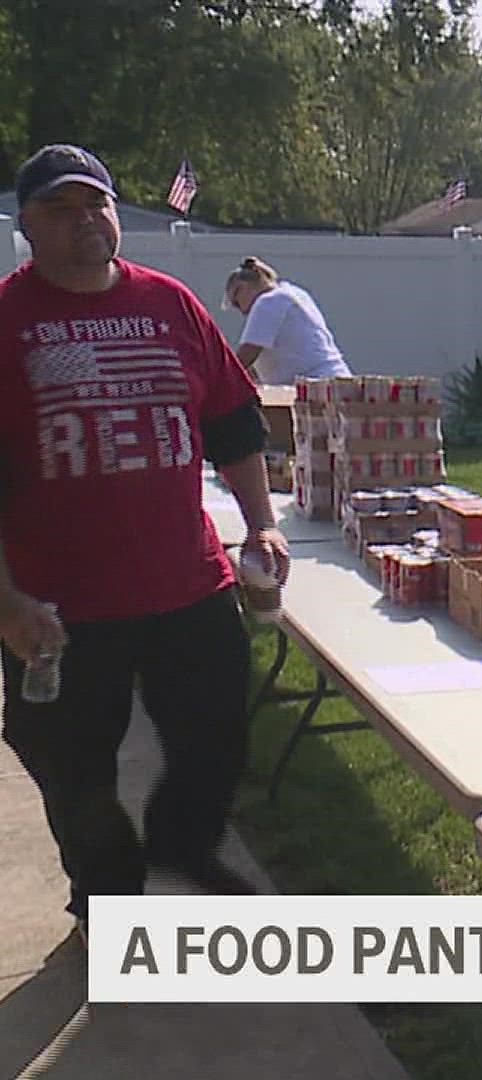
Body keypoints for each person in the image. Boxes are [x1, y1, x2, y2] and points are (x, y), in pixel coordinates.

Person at [0, 144, 287, 932]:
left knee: (217, 737)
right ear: (26, 225)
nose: (84, 222)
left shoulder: (171, 305)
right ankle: (106, 892)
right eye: (61, 210)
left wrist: (261, 522)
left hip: (187, 585)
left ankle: (181, 843)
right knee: (72, 769)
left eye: (95, 204)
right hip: (60, 610)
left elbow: (232, 423)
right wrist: (7, 604)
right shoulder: (6, 322)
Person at [224, 256, 354, 384]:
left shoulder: (268, 302)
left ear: (243, 286)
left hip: (318, 385)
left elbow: (246, 356)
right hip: (335, 379)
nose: (240, 309)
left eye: (236, 302)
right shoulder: (293, 293)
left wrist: (218, 382)